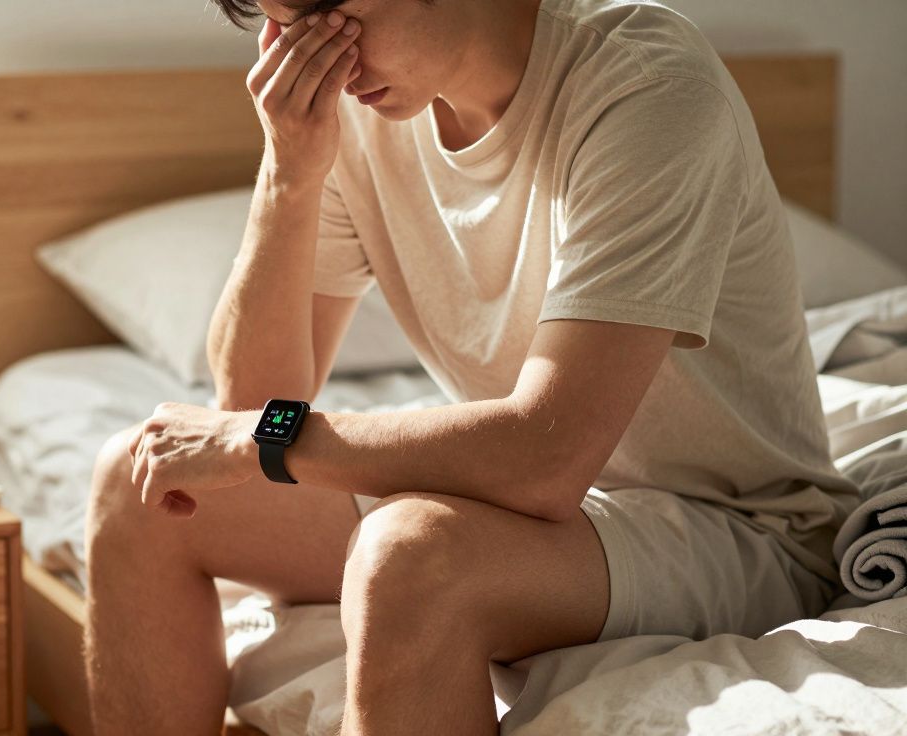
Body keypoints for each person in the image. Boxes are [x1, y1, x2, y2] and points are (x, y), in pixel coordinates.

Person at [83, 0, 861, 733]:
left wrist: (266, 438)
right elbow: (252, 403)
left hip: (733, 528)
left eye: (327, 19)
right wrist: (290, 171)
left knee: (408, 555)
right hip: (523, 507)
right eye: (284, 30)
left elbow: (544, 459)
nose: (320, 65)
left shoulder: (647, 88)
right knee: (140, 477)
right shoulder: (356, 116)